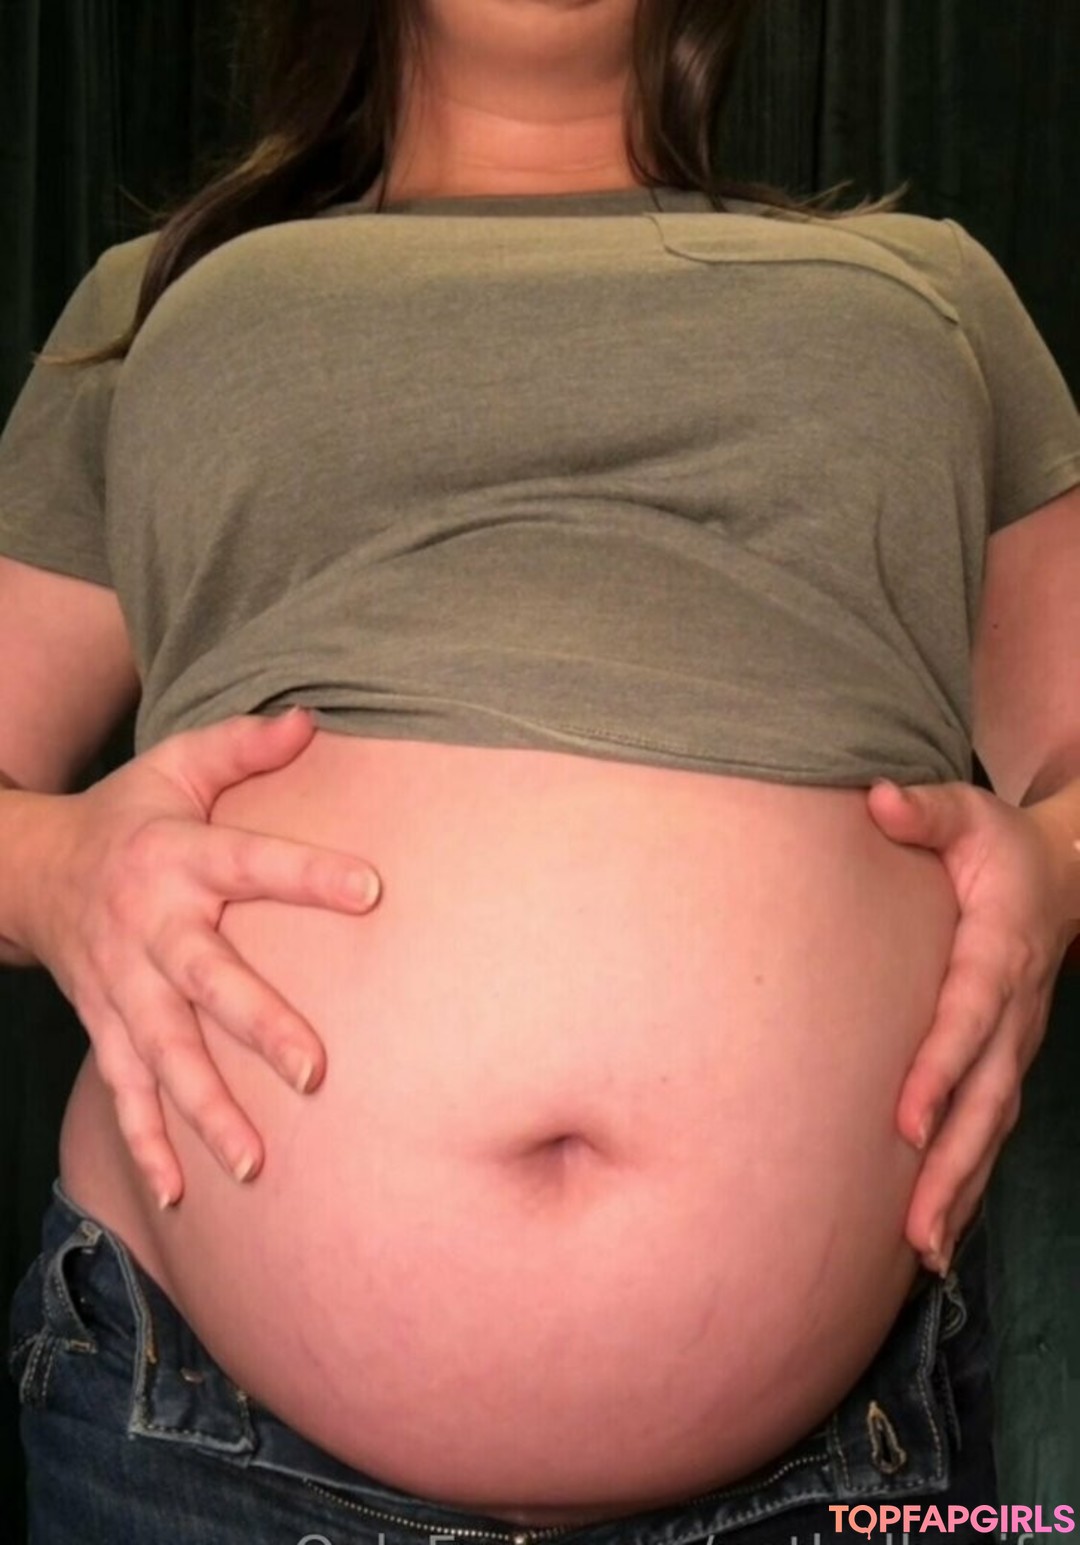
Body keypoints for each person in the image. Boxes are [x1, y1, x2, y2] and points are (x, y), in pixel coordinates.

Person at [3, 0, 1079, 1540]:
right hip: (197, 1445)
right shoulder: (166, 298)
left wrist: (1058, 872)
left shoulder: (931, 290)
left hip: (843, 1473)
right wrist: (55, 872)